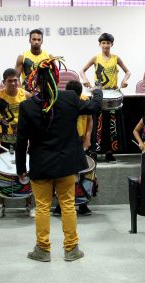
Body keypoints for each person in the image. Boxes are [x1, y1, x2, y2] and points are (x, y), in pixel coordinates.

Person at [16, 57, 102, 262]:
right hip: (66, 164)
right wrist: (97, 90)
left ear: (35, 81)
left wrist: (20, 169)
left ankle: (43, 250)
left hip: (40, 165)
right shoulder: (70, 98)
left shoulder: (27, 106)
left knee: (43, 207)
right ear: (56, 78)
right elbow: (95, 107)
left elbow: (21, 142)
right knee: (68, 205)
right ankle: (71, 249)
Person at [0, 68, 34, 218]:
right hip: (3, 140)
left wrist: (31, 137)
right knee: (0, 173)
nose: (13, 83)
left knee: (26, 171)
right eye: (9, 81)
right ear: (3, 82)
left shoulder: (26, 95)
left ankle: (29, 205)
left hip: (23, 140)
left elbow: (33, 118)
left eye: (15, 80)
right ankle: (1, 206)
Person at [81, 33, 131, 163]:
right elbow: (82, 71)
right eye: (103, 43)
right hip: (99, 95)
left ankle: (109, 152)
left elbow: (128, 71)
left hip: (112, 96)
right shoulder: (96, 58)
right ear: (100, 44)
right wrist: (85, 80)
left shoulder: (116, 58)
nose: (105, 45)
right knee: (97, 124)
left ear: (111, 44)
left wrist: (124, 81)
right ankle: (94, 151)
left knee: (111, 125)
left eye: (108, 43)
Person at [53, 80, 94, 216]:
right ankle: (60, 204)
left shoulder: (85, 100)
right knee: (64, 174)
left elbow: (90, 120)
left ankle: (83, 203)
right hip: (67, 141)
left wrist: (87, 138)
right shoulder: (61, 101)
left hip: (81, 140)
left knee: (85, 173)